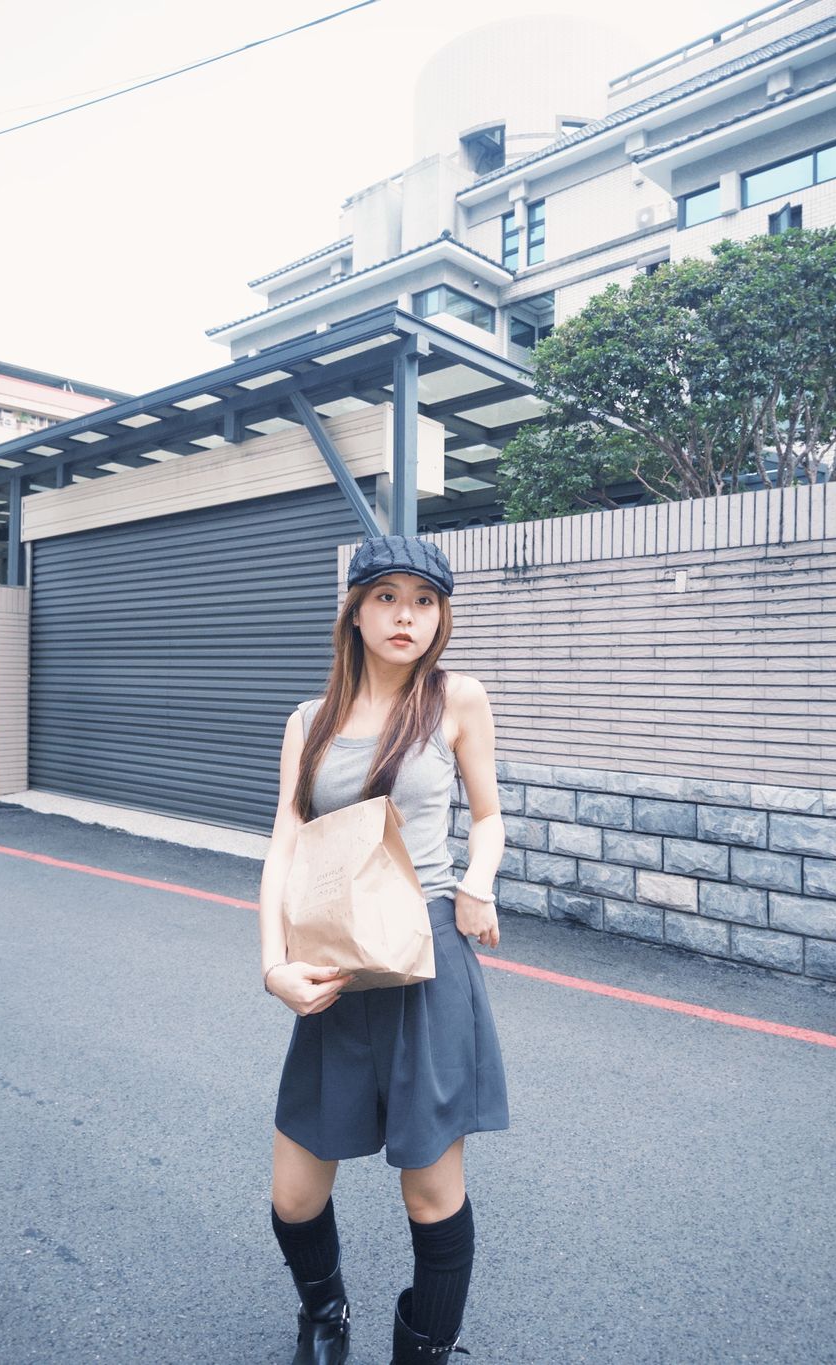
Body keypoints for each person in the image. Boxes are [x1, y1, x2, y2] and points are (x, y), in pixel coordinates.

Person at [258, 533, 510, 1364]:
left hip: (428, 955)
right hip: (338, 960)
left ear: (441, 616)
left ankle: (425, 1348)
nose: (407, 615)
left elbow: (488, 815)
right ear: (356, 612)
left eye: (425, 600)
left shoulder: (457, 699)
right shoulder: (310, 720)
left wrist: (478, 881)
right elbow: (285, 843)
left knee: (431, 1193)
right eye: (388, 597)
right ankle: (325, 1313)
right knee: (294, 1194)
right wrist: (273, 963)